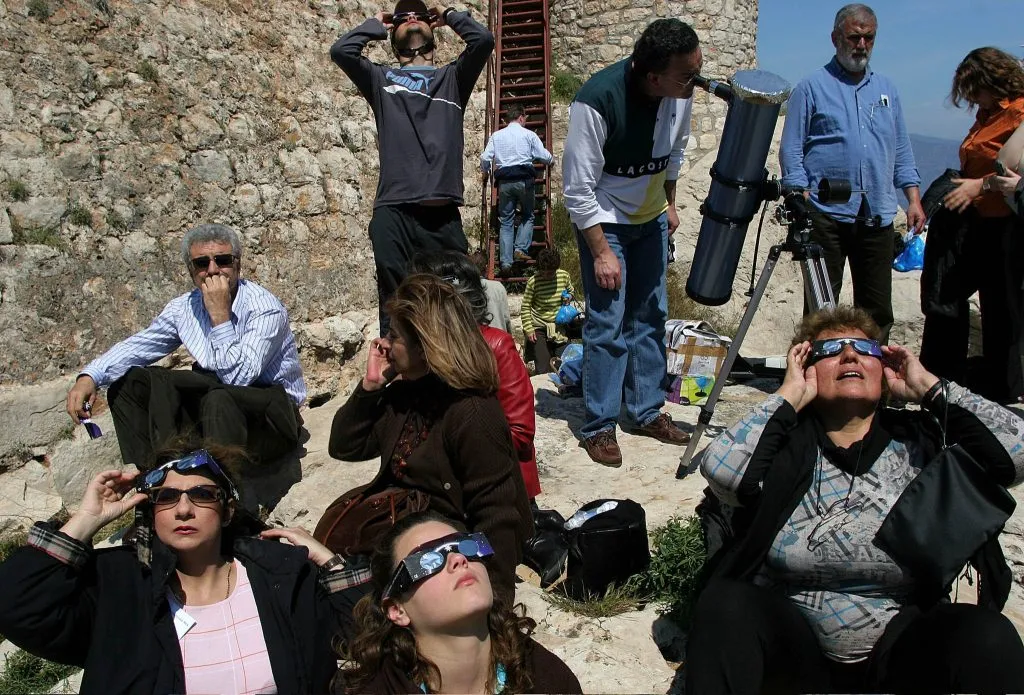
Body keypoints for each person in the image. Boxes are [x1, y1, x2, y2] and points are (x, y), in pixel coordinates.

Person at [686, 306, 1024, 694]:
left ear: (885, 370)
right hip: (794, 652)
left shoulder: (921, 441)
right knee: (725, 606)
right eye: (830, 351)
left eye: (865, 349)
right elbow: (722, 472)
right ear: (805, 368)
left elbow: (1017, 453)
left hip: (903, 648)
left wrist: (930, 389)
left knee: (988, 634)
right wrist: (788, 395)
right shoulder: (784, 444)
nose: (849, 356)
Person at [0, 442, 358, 694]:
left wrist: (328, 561)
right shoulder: (119, 587)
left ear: (228, 510)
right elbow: (16, 604)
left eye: (202, 495)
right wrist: (84, 521)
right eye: (166, 498)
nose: (183, 509)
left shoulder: (281, 578)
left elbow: (368, 633)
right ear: (150, 511)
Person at [328, 274, 533, 595]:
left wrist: (493, 610)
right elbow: (345, 447)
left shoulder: (471, 412)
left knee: (359, 602)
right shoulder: (405, 394)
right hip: (409, 535)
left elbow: (496, 518)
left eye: (394, 335)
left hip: (452, 551)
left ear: (425, 345)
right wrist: (369, 388)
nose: (383, 344)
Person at [562, 18, 696, 467]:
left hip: (651, 219)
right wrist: (601, 251)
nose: (696, 81)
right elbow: (577, 190)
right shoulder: (597, 100)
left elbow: (674, 154)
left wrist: (670, 203)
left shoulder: (679, 94)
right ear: (654, 76)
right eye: (687, 75)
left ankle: (645, 411)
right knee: (607, 320)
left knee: (651, 315)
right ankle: (599, 425)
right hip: (607, 224)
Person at [65, 223, 305, 468]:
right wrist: (90, 377)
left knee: (219, 398)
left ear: (237, 264)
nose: (213, 271)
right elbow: (141, 345)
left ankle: (221, 495)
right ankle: (153, 478)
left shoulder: (264, 308)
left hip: (269, 414)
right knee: (132, 383)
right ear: (191, 271)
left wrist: (219, 316)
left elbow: (238, 378)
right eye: (202, 263)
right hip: (216, 404)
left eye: (222, 260)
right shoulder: (184, 308)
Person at [330, 0, 494, 334]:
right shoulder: (380, 80)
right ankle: (400, 379)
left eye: (420, 16)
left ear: (432, 28)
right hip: (394, 212)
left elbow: (483, 41)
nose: (412, 20)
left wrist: (446, 14)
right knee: (398, 311)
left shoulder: (453, 79)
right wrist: (375, 24)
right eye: (403, 18)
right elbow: (342, 51)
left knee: (457, 307)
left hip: (441, 215)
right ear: (393, 33)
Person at [780, 4, 925, 344]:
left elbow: (901, 148)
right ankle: (819, 382)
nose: (861, 45)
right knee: (821, 306)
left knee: (876, 309)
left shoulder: (887, 89)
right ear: (836, 38)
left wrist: (913, 198)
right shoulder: (811, 87)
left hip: (876, 213)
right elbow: (791, 148)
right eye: (854, 37)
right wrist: (798, 193)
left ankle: (871, 385)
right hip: (825, 214)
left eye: (868, 38)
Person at [339, 511, 582, 694]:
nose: (458, 558)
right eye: (428, 559)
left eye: (465, 546)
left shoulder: (548, 679)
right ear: (397, 609)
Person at [924, 47, 1024, 403]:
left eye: (974, 91)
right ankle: (943, 380)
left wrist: (976, 188)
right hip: (975, 224)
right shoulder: (985, 115)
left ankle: (1005, 390)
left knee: (1002, 311)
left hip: (1004, 225)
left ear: (992, 82)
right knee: (945, 298)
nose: (970, 100)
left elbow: (1011, 174)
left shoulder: (1018, 114)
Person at [409, 250, 542, 499]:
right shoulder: (418, 353)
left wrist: (450, 454)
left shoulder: (496, 347)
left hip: (498, 490)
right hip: (444, 489)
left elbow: (520, 432)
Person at [480, 104, 554, 274]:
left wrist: (485, 171)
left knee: (506, 221)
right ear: (521, 117)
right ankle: (520, 248)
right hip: (524, 181)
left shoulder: (497, 136)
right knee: (528, 215)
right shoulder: (529, 135)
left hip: (505, 182)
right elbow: (544, 156)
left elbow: (485, 157)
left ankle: (506, 263)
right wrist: (552, 161)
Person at [521, 248, 579, 375]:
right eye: (544, 273)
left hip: (559, 325)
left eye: (551, 273)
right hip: (539, 326)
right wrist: (529, 329)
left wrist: (568, 297)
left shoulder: (563, 276)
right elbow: (525, 307)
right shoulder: (533, 282)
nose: (547, 276)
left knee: (565, 363)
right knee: (543, 368)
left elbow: (571, 291)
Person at [469, 249, 514, 333]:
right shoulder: (498, 287)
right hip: (499, 336)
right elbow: (506, 318)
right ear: (486, 268)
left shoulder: (466, 288)